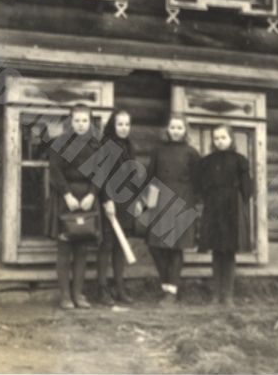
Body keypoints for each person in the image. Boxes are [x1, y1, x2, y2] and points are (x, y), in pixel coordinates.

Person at [47, 104, 103, 310]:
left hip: (87, 198)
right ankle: (65, 296)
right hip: (66, 197)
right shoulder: (60, 143)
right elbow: (55, 171)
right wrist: (67, 195)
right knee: (64, 247)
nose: (81, 124)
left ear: (90, 122)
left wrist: (92, 194)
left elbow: (101, 172)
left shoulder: (97, 145)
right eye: (77, 120)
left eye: (84, 121)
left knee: (82, 248)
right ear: (70, 121)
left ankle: (78, 294)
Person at [143, 114, 200, 304]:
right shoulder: (158, 151)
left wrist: (191, 203)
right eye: (173, 127)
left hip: (182, 200)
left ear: (185, 130)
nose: (176, 131)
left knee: (175, 247)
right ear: (167, 129)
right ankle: (165, 285)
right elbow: (150, 177)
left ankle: (172, 291)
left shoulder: (191, 153)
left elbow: (197, 181)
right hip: (160, 200)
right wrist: (150, 202)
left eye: (179, 128)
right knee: (155, 246)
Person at [195, 124, 253, 306]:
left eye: (223, 138)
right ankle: (215, 294)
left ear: (231, 139)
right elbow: (201, 185)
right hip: (214, 208)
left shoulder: (240, 160)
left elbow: (247, 188)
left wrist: (238, 200)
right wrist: (209, 198)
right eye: (216, 138)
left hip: (232, 209)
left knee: (229, 252)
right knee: (216, 252)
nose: (220, 141)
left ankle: (228, 295)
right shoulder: (207, 162)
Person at [96, 108, 142, 305]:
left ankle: (119, 287)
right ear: (113, 125)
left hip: (125, 202)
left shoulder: (129, 146)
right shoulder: (106, 146)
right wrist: (107, 200)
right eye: (120, 124)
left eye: (127, 124)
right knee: (106, 245)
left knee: (120, 246)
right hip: (109, 201)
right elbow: (102, 176)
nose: (124, 128)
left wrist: (136, 199)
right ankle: (101, 289)